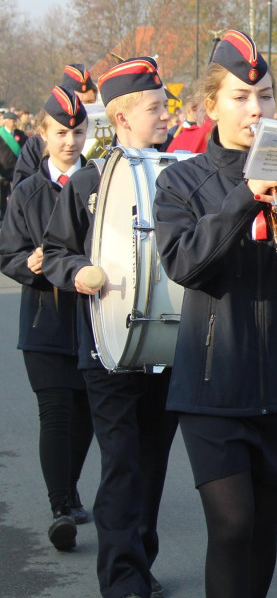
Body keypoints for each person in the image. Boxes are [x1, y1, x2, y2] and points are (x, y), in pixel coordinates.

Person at [153, 30, 277, 598]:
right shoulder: (181, 181)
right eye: (240, 96)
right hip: (213, 385)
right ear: (210, 105)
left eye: (263, 95)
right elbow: (184, 264)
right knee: (233, 526)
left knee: (264, 532)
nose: (256, 109)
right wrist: (245, 198)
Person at [43, 56, 178, 598]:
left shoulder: (180, 174)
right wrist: (78, 272)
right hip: (107, 348)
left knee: (152, 469)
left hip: (168, 349)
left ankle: (140, 563)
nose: (166, 114)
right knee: (122, 465)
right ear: (121, 118)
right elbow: (55, 253)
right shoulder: (88, 183)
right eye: (154, 107)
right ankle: (122, 580)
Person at [0, 84, 94, 551]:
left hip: (95, 319)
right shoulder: (27, 192)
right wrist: (29, 265)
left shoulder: (101, 183)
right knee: (56, 414)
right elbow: (8, 254)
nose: (70, 142)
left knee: (86, 417)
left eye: (78, 132)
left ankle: (70, 486)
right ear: (42, 134)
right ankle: (61, 506)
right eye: (60, 132)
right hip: (44, 322)